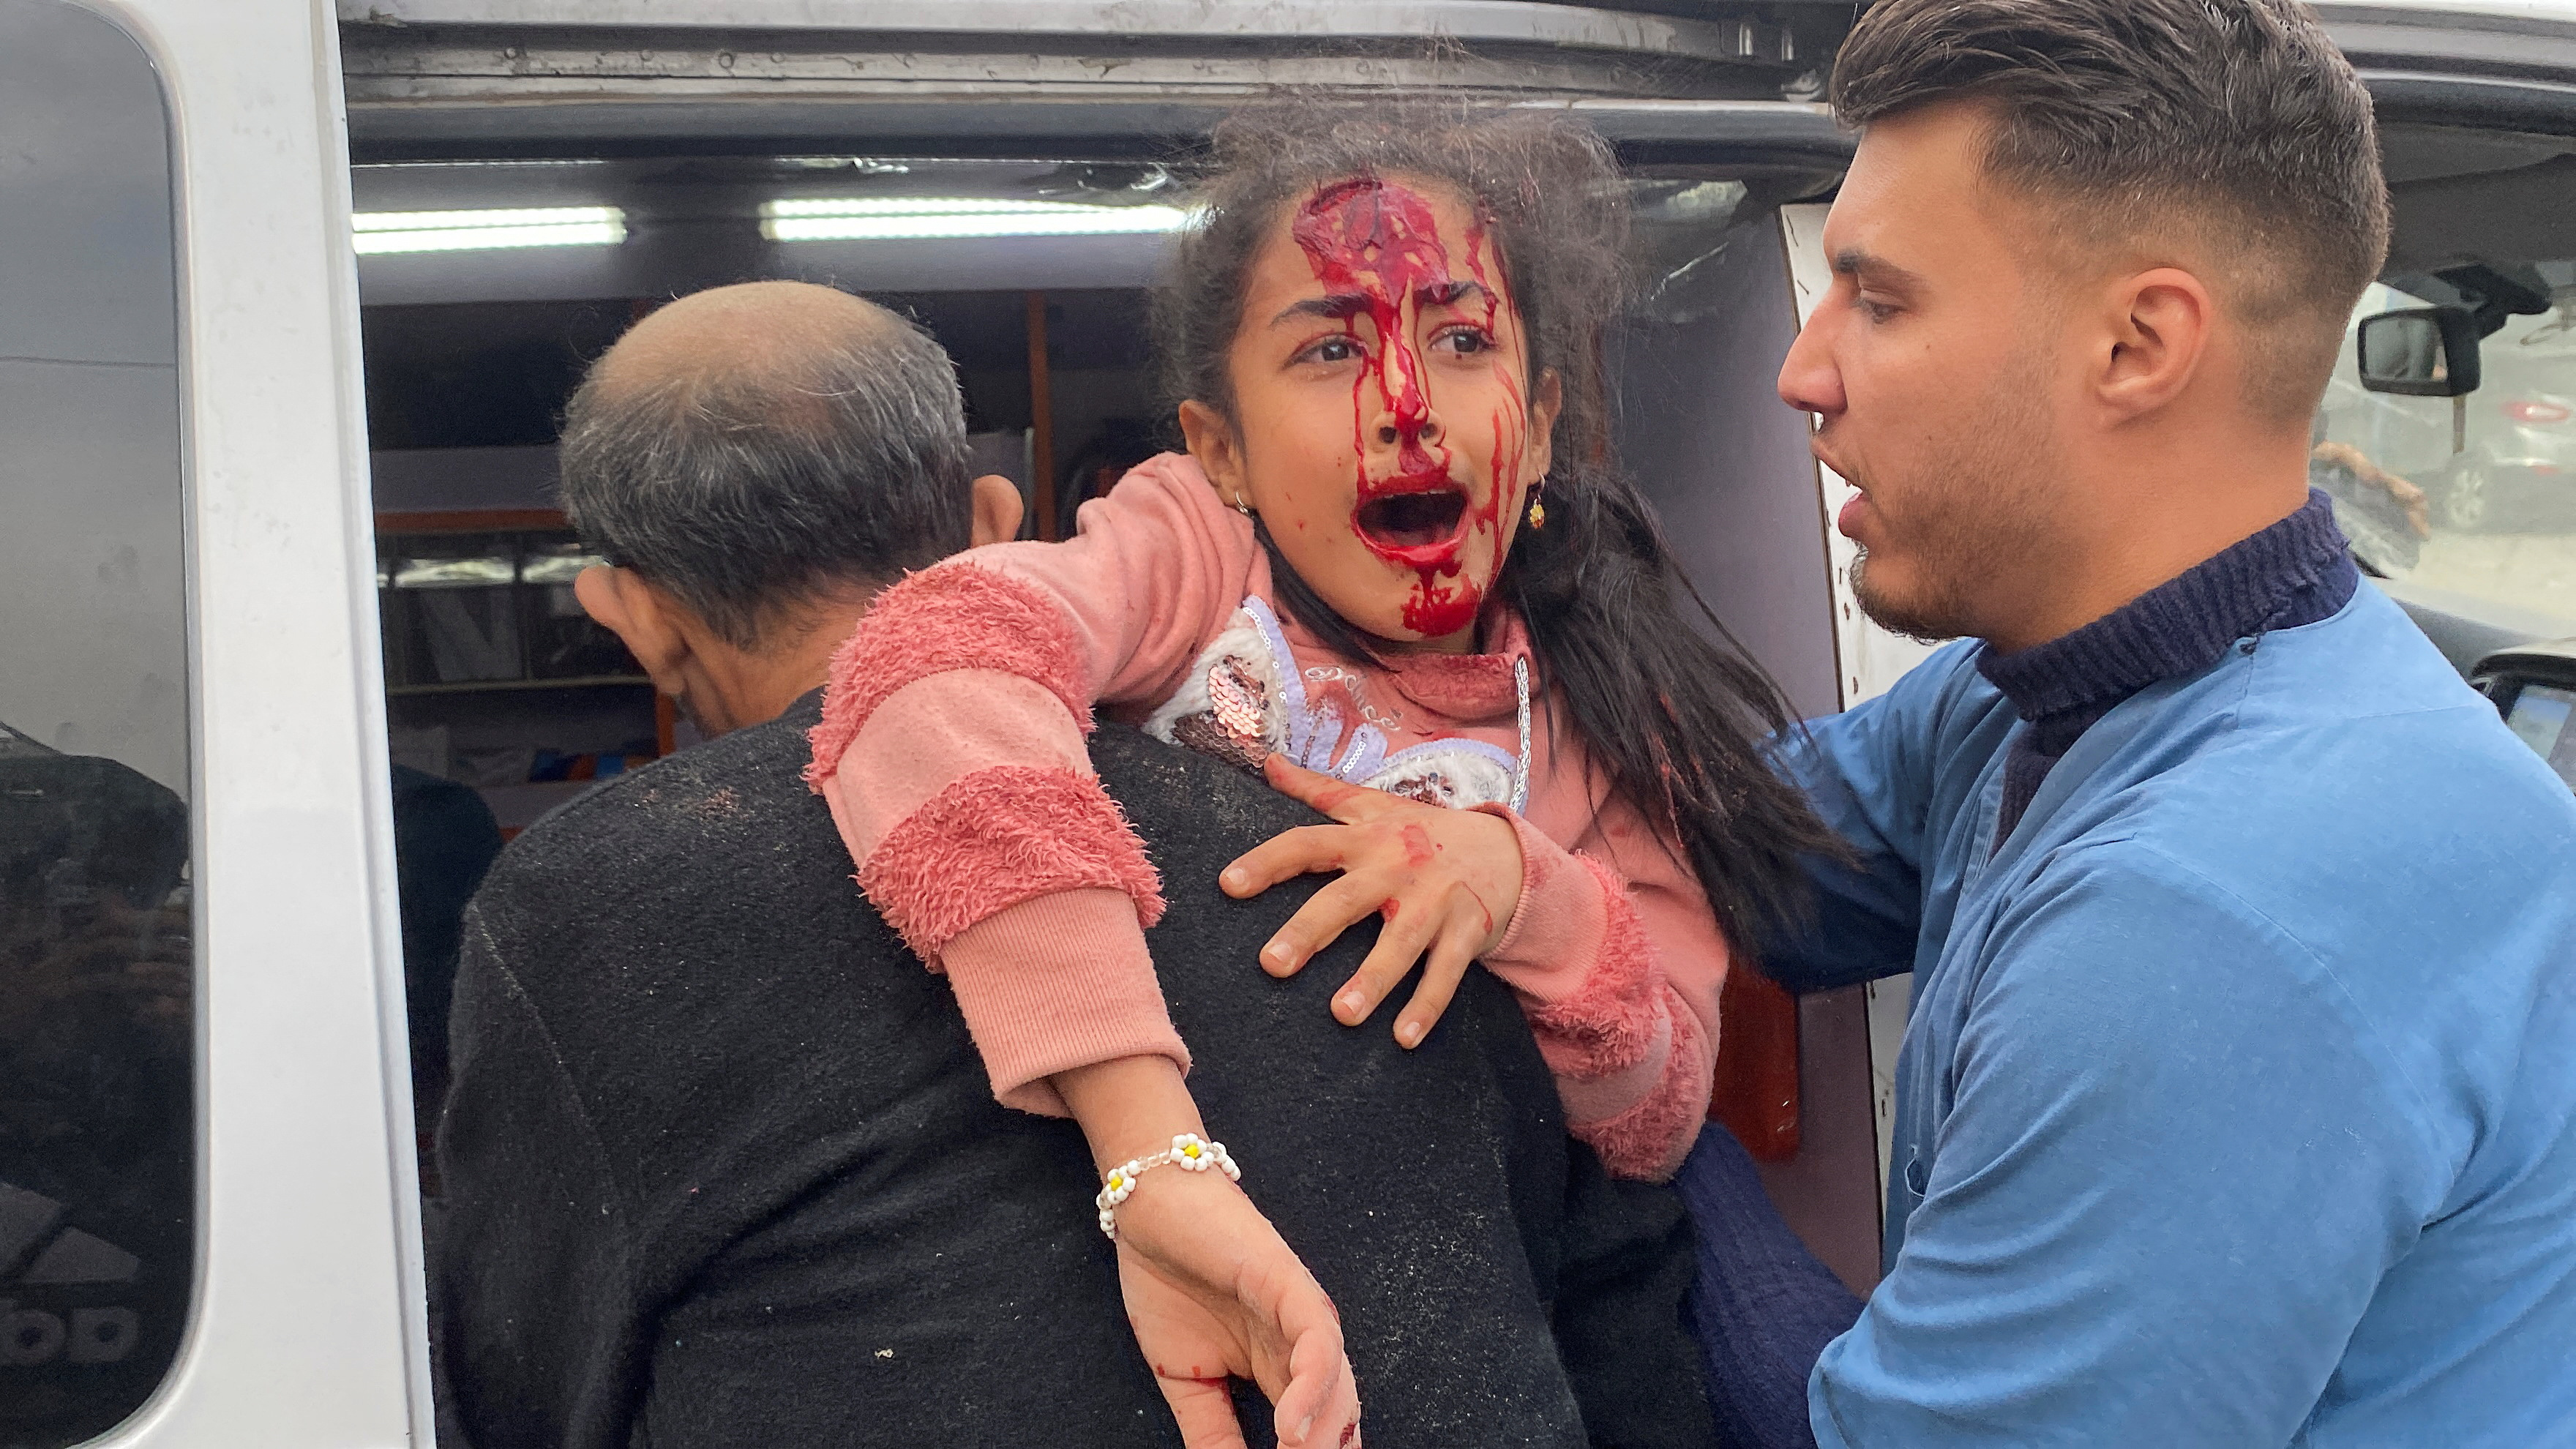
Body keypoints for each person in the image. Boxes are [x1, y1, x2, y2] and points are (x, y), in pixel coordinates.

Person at [428, 280, 1715, 1449]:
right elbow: (1623, 1285)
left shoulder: (580, 911)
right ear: (995, 523)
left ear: (628, 613)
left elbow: (522, 1390)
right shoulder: (1396, 875)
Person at [806, 104, 1838, 1414]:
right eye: (1329, 349)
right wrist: (1148, 1152)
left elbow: (1655, 1111)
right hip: (1162, 1266)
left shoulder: (1605, 712)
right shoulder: (1193, 556)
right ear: (1220, 450)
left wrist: (1521, 889)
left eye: (1464, 341)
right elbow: (933, 659)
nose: (1406, 408)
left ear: (1542, 417)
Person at [1686, 1, 2576, 1444]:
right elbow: (1754, 856)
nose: (1804, 370)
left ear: (2135, 345)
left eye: (1880, 297)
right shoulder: (2040, 688)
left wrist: (1633, 1117)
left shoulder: (2227, 905)